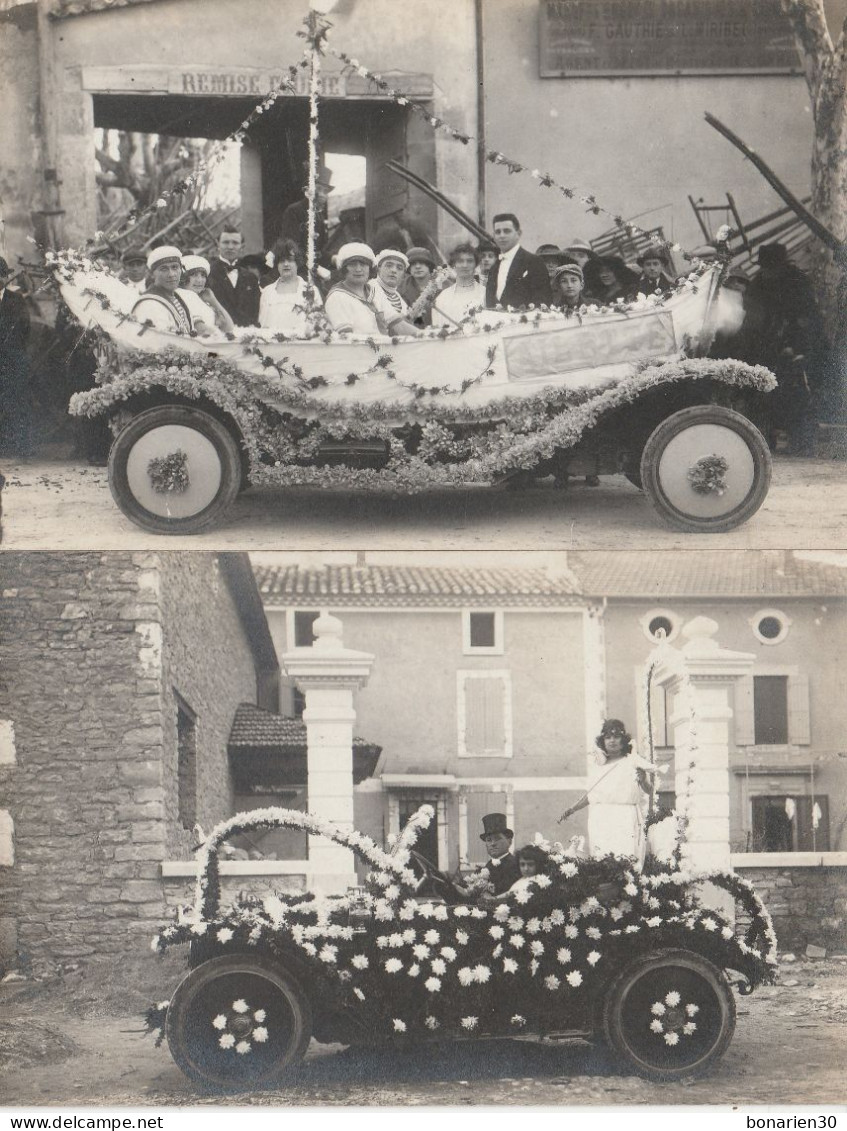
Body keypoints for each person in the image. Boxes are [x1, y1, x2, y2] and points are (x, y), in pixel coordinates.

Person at [559, 718, 665, 862]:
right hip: (601, 817)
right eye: (608, 737)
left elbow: (650, 790)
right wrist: (573, 808)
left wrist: (643, 779)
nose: (612, 740)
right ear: (603, 741)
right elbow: (591, 796)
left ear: (623, 740)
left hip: (625, 817)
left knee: (626, 857)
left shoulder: (632, 761)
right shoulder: (598, 767)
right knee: (603, 857)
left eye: (616, 736)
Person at [0, 257, 33, 457]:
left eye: (1, 275)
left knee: (16, 402)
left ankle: (21, 449)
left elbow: (23, 329)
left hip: (11, 359)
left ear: (5, 277)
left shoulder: (16, 301)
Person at [485, 213, 551, 309]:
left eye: (507, 231)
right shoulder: (494, 267)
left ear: (518, 233)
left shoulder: (534, 262)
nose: (502, 236)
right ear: (494, 236)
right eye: (498, 232)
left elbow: (543, 302)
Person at [259, 238, 323, 336]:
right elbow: (262, 325)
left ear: (297, 262)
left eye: (290, 260)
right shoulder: (268, 292)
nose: (286, 264)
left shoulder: (310, 290)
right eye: (281, 261)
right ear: (276, 264)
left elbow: (318, 324)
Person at [278, 163, 334, 273]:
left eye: (325, 191)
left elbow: (319, 250)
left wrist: (333, 259)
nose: (323, 194)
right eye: (319, 189)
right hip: (294, 271)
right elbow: (291, 248)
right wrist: (316, 268)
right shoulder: (294, 210)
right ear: (309, 190)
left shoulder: (319, 215)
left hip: (312, 271)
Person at [324, 242, 388, 335]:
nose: (358, 269)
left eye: (363, 264)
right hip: (358, 347)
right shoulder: (337, 297)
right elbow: (347, 339)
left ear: (370, 268)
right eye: (352, 264)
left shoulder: (375, 291)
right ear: (344, 269)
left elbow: (395, 323)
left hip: (384, 346)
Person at [131, 246, 197, 334]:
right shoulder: (150, 304)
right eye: (164, 269)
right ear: (151, 274)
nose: (171, 274)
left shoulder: (175, 297)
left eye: (174, 267)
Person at [207, 228, 261, 326]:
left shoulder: (251, 278)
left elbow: (255, 311)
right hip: (217, 335)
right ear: (217, 244)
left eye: (235, 243)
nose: (230, 247)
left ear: (242, 247)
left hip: (246, 335)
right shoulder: (207, 273)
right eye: (226, 242)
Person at [431, 243, 486, 328]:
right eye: (460, 261)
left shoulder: (485, 293)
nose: (465, 265)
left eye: (470, 261)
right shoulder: (442, 298)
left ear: (476, 265)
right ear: (454, 265)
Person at [368, 249, 420, 337]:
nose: (394, 270)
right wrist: (426, 334)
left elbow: (406, 324)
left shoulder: (396, 295)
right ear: (378, 268)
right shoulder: (371, 288)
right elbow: (397, 326)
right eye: (389, 265)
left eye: (399, 268)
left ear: (403, 276)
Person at [178, 255, 230, 336]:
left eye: (203, 276)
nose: (199, 280)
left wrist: (212, 300)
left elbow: (229, 327)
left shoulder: (199, 299)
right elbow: (202, 330)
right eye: (194, 275)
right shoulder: (183, 294)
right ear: (183, 278)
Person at [400, 246, 442, 328]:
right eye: (413, 264)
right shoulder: (401, 289)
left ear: (429, 265)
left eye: (422, 263)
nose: (417, 267)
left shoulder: (444, 285)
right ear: (408, 268)